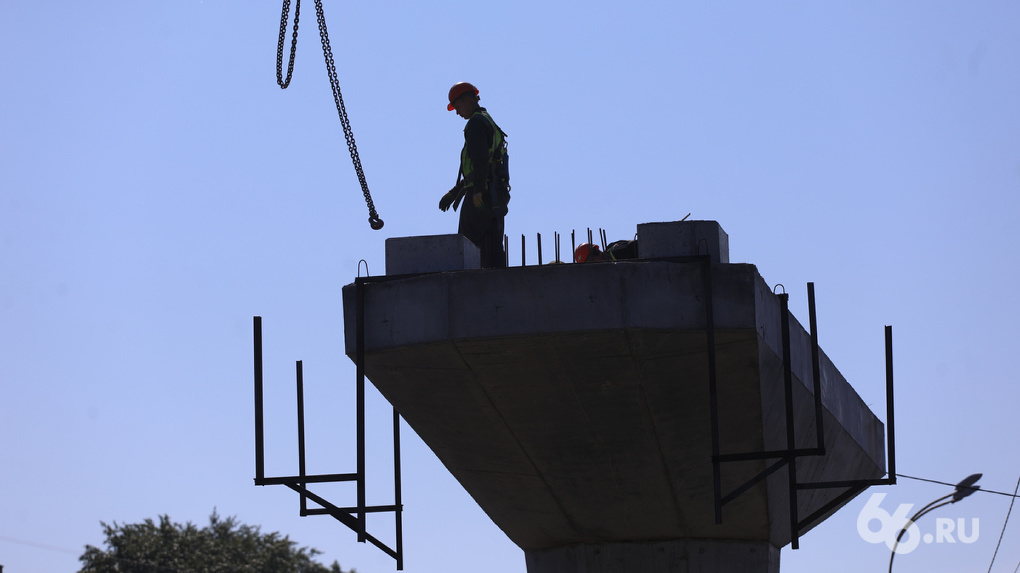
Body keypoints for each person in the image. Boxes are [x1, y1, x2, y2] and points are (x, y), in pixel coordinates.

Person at [439, 82, 510, 269]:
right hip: (496, 193)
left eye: (457, 106)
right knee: (491, 245)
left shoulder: (476, 124)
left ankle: (469, 287)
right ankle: (497, 284)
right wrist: (455, 192)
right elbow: (485, 165)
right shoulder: (487, 120)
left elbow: (480, 161)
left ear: (469, 100)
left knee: (468, 242)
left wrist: (478, 190)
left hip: (483, 194)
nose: (457, 112)